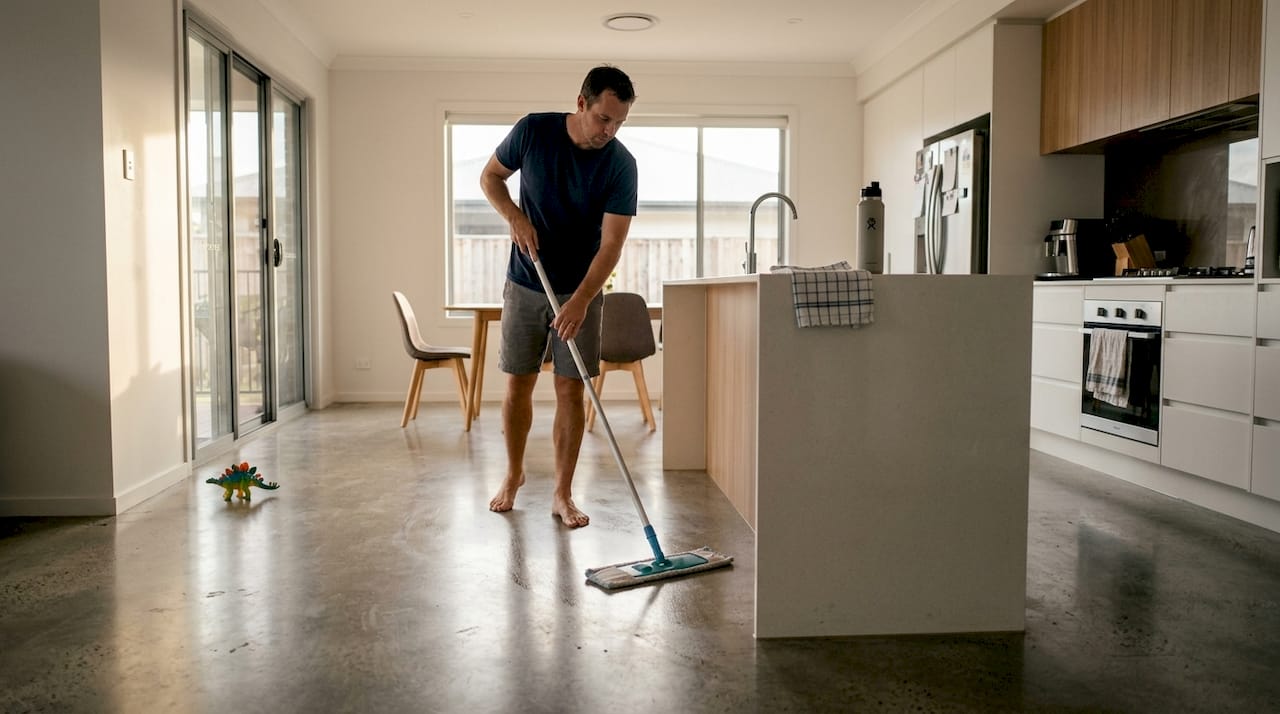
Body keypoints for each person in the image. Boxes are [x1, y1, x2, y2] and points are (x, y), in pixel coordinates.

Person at [478, 65, 638, 528]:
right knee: (518, 382)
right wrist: (514, 216)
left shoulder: (621, 164)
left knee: (570, 388)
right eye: (604, 119)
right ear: (581, 103)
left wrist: (582, 299)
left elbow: (612, 244)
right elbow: (491, 178)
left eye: (619, 123)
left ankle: (563, 494)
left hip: (581, 287)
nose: (609, 131)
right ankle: (513, 475)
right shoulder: (533, 132)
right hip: (526, 281)